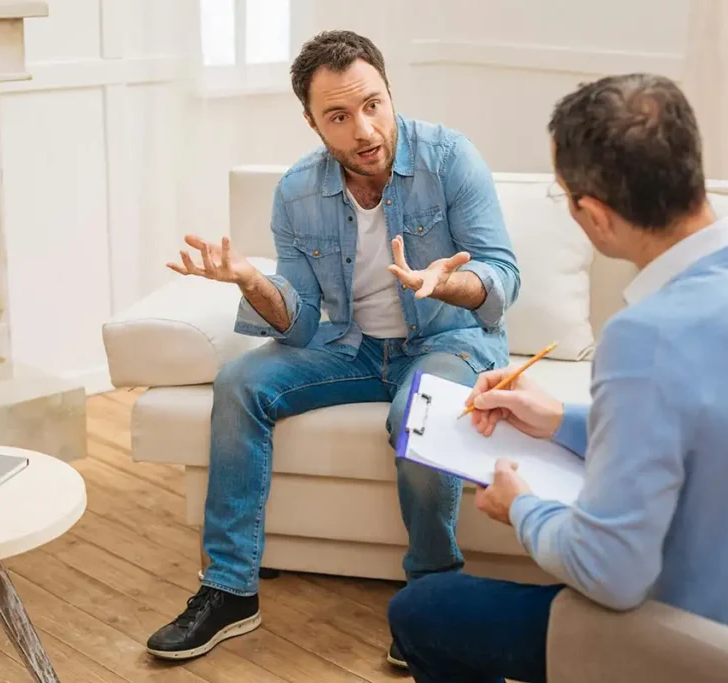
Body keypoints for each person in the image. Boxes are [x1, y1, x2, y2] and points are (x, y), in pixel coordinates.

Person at [387, 72, 728, 682]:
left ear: (592, 214)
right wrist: (558, 421)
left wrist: (524, 506)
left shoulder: (647, 334)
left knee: (425, 611)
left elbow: (610, 573)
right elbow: (712, 431)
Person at [146, 30, 520, 666]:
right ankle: (229, 589)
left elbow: (503, 279)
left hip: (444, 340)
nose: (363, 130)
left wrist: (446, 283)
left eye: (373, 105)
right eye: (339, 117)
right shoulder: (297, 191)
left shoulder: (450, 157)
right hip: (348, 348)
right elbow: (297, 322)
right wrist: (253, 281)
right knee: (240, 381)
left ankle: (432, 599)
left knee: (419, 412)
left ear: (388, 91)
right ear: (313, 121)